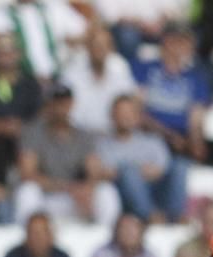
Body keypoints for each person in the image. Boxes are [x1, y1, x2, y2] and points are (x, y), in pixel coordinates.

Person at [17, 84, 120, 230]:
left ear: (72, 104)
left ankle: (107, 239)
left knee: (106, 191)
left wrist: (87, 189)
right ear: (49, 104)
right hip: (48, 199)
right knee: (27, 191)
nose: (61, 107)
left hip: (75, 199)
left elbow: (94, 172)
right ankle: (29, 236)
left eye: (65, 102)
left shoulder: (83, 135)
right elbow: (27, 174)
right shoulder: (34, 133)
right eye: (57, 102)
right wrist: (67, 187)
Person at [97, 93, 188, 225]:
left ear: (136, 117)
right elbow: (105, 172)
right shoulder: (103, 145)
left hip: (157, 189)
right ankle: (150, 217)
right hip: (125, 197)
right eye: (121, 113)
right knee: (129, 173)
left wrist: (136, 172)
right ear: (112, 116)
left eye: (129, 113)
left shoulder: (152, 141)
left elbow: (163, 169)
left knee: (180, 164)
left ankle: (176, 216)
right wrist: (135, 171)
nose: (125, 117)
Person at [134, 23, 209, 163]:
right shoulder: (145, 70)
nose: (183, 47)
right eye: (178, 41)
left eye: (187, 43)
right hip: (148, 135)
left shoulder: (195, 78)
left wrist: (195, 142)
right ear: (166, 42)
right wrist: (168, 135)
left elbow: (196, 117)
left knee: (182, 165)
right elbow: (137, 111)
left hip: (181, 142)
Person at [67, 21, 137, 136]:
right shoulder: (72, 73)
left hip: (113, 136)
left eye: (104, 45)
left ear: (111, 48)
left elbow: (129, 106)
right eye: (96, 45)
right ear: (88, 47)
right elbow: (69, 113)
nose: (100, 50)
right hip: (80, 136)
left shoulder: (120, 70)